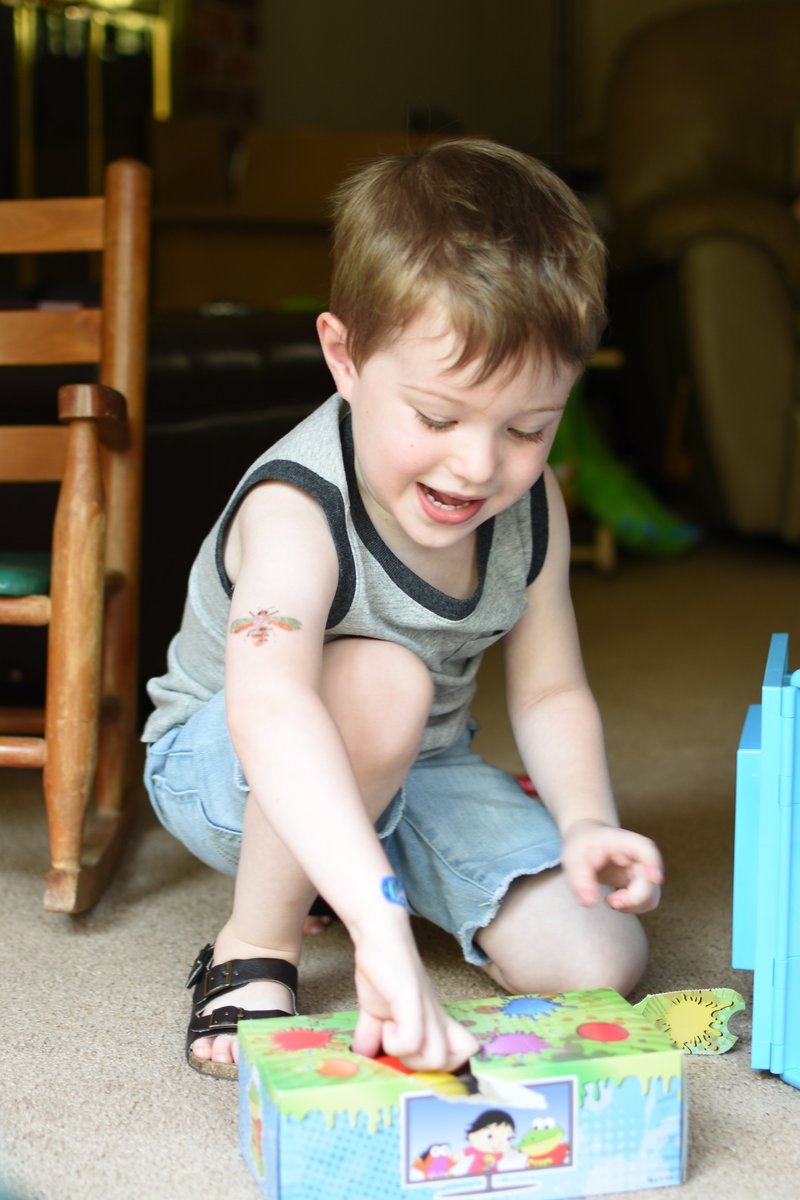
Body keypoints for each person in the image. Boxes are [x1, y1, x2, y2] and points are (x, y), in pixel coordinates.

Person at [142, 138, 663, 1081]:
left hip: (423, 764)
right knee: (381, 678)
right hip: (231, 766)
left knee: (601, 963)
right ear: (344, 357)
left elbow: (548, 694)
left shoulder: (527, 504)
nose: (477, 466)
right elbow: (271, 709)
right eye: (436, 417)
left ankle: (356, 870)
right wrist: (380, 927)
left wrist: (586, 823)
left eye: (527, 428)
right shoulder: (297, 507)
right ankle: (258, 943)